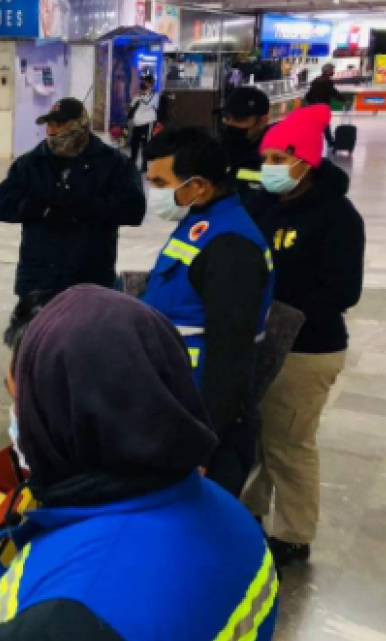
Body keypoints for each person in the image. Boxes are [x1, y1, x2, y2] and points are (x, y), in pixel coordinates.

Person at [0, 285, 278, 641]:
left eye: (22, 404)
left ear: (64, 420)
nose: (18, 422)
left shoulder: (64, 618)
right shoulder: (233, 514)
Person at [242, 104, 365, 568]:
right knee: (259, 436)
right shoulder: (264, 205)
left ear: (308, 161)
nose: (270, 169)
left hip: (308, 348)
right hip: (264, 339)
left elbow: (343, 291)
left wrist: (275, 287)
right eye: (266, 159)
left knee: (289, 443)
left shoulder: (337, 217)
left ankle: (294, 534)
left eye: (280, 160)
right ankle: (250, 512)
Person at [140, 127, 275, 496]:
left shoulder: (231, 246)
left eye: (160, 182)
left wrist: (205, 442)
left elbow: (230, 355)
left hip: (198, 409)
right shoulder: (202, 221)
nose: (154, 191)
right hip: (174, 393)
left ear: (198, 185)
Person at [0, 98, 145, 308]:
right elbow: (2, 204)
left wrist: (84, 208)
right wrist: (43, 210)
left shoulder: (112, 163)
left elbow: (134, 209)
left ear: (80, 125)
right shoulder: (31, 163)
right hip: (38, 280)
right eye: (49, 125)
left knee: (86, 339)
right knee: (36, 340)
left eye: (60, 124)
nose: (52, 131)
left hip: (91, 279)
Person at [219, 86, 272, 205]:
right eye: (226, 117)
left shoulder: (273, 157)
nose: (230, 124)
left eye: (239, 119)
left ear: (263, 121)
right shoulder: (214, 150)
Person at [303, 63, 344, 149]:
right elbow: (334, 92)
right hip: (322, 107)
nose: (333, 72)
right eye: (332, 70)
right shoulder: (327, 81)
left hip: (313, 106)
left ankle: (309, 141)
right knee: (325, 125)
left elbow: (309, 94)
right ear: (327, 71)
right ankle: (330, 142)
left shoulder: (316, 80)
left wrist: (309, 103)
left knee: (315, 125)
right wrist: (343, 99)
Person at [127, 78, 158, 172]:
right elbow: (132, 106)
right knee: (134, 143)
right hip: (137, 123)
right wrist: (137, 98)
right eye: (142, 82)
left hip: (148, 122)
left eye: (145, 82)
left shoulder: (154, 95)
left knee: (146, 144)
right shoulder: (138, 96)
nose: (143, 84)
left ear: (150, 84)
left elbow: (147, 104)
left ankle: (145, 166)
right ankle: (132, 163)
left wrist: (141, 96)